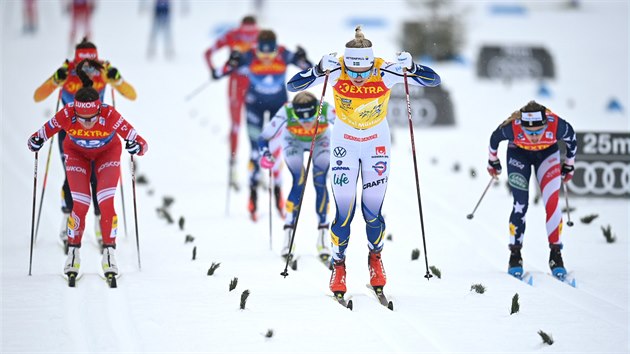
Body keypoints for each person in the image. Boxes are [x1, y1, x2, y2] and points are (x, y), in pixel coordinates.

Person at [287, 26, 441, 295]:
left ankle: (375, 259)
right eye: (353, 71)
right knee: (344, 212)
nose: (358, 78)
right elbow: (292, 86)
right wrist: (316, 69)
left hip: (376, 143)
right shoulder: (336, 70)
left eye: (364, 71)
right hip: (344, 142)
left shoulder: (386, 70)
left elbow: (434, 80)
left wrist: (413, 67)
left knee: (372, 211)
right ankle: (339, 265)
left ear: (372, 63)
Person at [27, 59, 148, 279]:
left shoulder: (109, 114)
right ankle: (73, 252)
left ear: (99, 110)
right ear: (75, 111)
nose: (87, 123)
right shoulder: (67, 114)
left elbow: (142, 143)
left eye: (92, 118)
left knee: (105, 201)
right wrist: (36, 141)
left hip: (106, 155)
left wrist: (135, 145)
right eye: (82, 119)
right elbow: (40, 135)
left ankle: (109, 253)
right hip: (77, 155)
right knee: (80, 203)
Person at [34, 37, 136, 253]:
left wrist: (117, 80)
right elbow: (38, 96)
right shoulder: (67, 70)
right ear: (77, 60)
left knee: (100, 181)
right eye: (85, 64)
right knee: (73, 178)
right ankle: (66, 221)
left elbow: (132, 95)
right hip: (69, 133)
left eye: (92, 64)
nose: (90, 71)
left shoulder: (104, 70)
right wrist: (55, 80)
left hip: (100, 133)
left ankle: (102, 225)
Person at [216, 29, 312, 221]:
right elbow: (219, 74)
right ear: (256, 49)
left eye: (271, 52)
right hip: (254, 107)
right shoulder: (249, 55)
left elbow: (310, 70)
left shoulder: (284, 53)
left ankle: (277, 192)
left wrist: (304, 58)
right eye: (263, 53)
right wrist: (231, 62)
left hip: (279, 107)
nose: (267, 57)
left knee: (277, 151)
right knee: (255, 151)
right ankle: (252, 195)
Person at [486, 100, 577, 280]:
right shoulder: (513, 128)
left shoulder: (557, 125)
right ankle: (515, 255)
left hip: (547, 154)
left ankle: (556, 256)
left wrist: (569, 165)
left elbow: (572, 140)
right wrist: (493, 162)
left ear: (546, 124)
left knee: (551, 203)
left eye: (538, 131)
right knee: (520, 203)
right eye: (529, 132)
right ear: (522, 126)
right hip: (519, 155)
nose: (534, 136)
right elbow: (494, 139)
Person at [258, 91, 336, 263]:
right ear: (295, 112)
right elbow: (263, 137)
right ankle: (288, 235)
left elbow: (347, 127)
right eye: (302, 118)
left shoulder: (325, 109)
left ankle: (323, 237)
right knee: (299, 180)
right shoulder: (286, 110)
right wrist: (266, 154)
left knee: (320, 179)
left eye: (311, 118)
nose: (307, 123)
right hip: (293, 141)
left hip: (321, 139)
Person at [205, 16, 259, 190]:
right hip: (236, 85)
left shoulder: (261, 35)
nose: (249, 36)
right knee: (236, 126)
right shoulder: (232, 35)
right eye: (246, 33)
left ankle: (259, 168)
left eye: (251, 33)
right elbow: (208, 53)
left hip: (254, 85)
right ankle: (233, 168)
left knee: (257, 126)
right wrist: (214, 71)